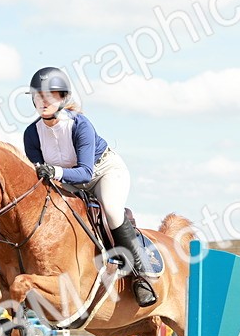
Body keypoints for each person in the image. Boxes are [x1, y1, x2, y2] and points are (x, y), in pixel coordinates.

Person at [22, 66, 157, 307]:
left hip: (103, 171)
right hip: (67, 181)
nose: (42, 102)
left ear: (63, 98)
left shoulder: (80, 125)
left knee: (111, 209)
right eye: (37, 96)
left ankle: (141, 275)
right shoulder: (32, 134)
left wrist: (56, 172)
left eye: (48, 96)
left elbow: (86, 172)